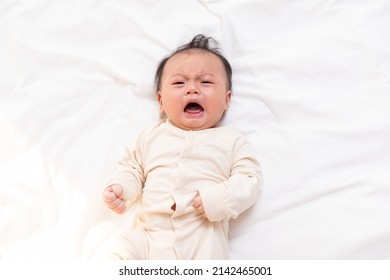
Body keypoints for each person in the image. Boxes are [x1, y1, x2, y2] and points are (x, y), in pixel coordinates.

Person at [93, 34, 262, 259]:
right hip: (150, 236)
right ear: (161, 101)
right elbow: (132, 168)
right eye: (179, 83)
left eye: (206, 82)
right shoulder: (152, 135)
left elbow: (250, 180)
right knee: (117, 250)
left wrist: (219, 198)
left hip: (202, 233)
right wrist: (121, 188)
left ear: (227, 100)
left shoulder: (231, 140)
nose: (192, 89)